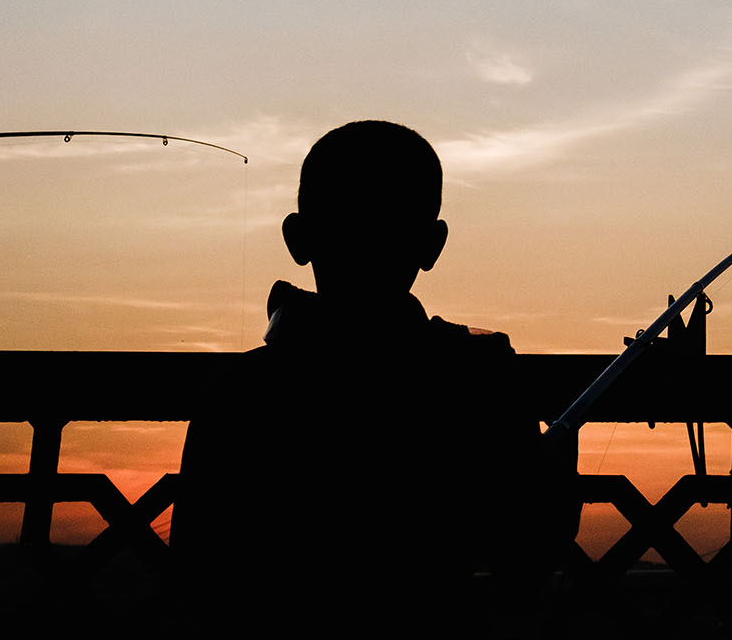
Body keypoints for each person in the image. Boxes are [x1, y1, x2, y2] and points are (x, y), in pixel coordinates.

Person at [174, 120, 572, 630]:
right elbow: (527, 555)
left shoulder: (238, 390)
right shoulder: (478, 379)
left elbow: (196, 570)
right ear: (432, 245)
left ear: (297, 240)